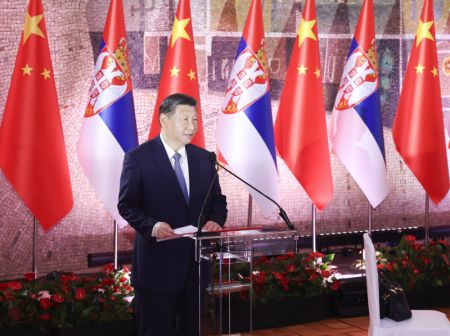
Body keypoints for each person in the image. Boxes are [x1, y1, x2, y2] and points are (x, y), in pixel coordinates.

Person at [118, 93, 227, 336]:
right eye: (185, 119)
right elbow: (127, 205)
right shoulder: (138, 158)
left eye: (195, 120)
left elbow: (217, 201)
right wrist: (152, 225)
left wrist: (215, 219)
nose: (192, 126)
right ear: (164, 120)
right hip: (157, 268)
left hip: (197, 267)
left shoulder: (204, 159)